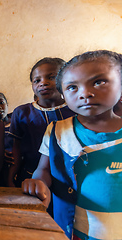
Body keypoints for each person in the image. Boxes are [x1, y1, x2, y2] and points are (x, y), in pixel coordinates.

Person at [22, 50, 122, 239]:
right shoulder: (58, 131)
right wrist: (38, 183)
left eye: (99, 82)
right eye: (72, 87)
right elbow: (44, 169)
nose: (85, 93)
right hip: (76, 229)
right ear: (63, 94)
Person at [7, 58, 75, 187]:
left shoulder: (75, 109)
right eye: (37, 80)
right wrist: (10, 177)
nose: (43, 83)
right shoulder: (22, 112)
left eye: (51, 77)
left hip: (72, 176)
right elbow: (16, 148)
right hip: (31, 175)